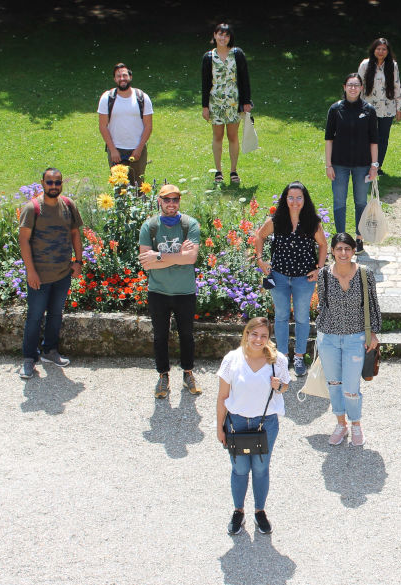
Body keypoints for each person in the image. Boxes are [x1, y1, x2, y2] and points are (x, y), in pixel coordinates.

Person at [217, 317, 290, 535]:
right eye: (254, 334)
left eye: (264, 336)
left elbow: (285, 388)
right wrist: (219, 427)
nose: (258, 339)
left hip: (265, 423)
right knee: (240, 469)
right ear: (246, 334)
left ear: (269, 338)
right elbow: (222, 397)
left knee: (260, 468)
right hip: (237, 422)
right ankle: (238, 511)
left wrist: (280, 386)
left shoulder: (278, 361)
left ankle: (260, 511)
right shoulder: (232, 359)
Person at [254, 181, 328, 377]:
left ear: (305, 200)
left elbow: (323, 245)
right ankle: (282, 357)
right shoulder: (276, 220)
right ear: (285, 199)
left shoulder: (312, 222)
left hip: (304, 279)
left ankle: (299, 356)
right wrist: (260, 259)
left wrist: (319, 268)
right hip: (279, 276)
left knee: (302, 318)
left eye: (299, 197)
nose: (295, 202)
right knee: (281, 317)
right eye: (291, 197)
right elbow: (259, 236)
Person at [315, 232, 381, 447]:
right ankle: (340, 424)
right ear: (332, 251)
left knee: (351, 387)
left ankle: (356, 425)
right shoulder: (324, 274)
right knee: (334, 384)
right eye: (339, 249)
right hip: (329, 338)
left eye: (347, 249)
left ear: (354, 251)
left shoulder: (365, 274)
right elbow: (322, 305)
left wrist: (373, 333)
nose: (343, 253)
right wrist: (321, 331)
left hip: (355, 338)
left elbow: (372, 305)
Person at [17, 168, 83, 379]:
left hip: (62, 273)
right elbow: (23, 240)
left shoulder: (68, 205)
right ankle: (29, 359)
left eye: (57, 182)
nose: (53, 186)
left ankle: (50, 351)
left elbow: (75, 233)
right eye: (49, 182)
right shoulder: (33, 208)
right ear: (42, 183)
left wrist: (79, 262)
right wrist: (31, 272)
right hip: (40, 276)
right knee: (35, 318)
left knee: (56, 314)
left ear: (61, 183)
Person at [138, 184, 201, 398]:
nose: (171, 203)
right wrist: (177, 258)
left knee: (186, 335)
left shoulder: (189, 224)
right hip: (158, 291)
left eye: (175, 199)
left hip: (184, 291)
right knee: (160, 336)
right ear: (160, 201)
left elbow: (191, 258)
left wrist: (158, 256)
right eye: (167, 200)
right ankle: (163, 376)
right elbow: (146, 264)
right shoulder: (150, 226)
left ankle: (188, 373)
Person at [325, 74, 379, 255]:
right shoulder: (335, 109)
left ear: (362, 88)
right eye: (350, 85)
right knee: (339, 201)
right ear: (344, 87)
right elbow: (329, 139)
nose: (353, 88)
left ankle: (359, 238)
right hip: (339, 164)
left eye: (357, 85)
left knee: (361, 201)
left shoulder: (369, 110)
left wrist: (374, 165)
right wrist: (328, 165)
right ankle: (340, 238)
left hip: (362, 165)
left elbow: (374, 141)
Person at [201, 23, 253, 184]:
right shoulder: (208, 57)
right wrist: (205, 106)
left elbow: (244, 79)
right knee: (217, 136)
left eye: (226, 35)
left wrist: (246, 102)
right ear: (215, 35)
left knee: (232, 136)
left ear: (230, 38)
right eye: (220, 34)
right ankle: (218, 171)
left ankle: (233, 171)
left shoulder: (237, 54)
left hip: (233, 102)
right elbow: (205, 83)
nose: (223, 38)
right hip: (215, 102)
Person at [98, 63, 153, 185]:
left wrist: (138, 149)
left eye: (124, 75)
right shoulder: (107, 98)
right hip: (116, 150)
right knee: (119, 189)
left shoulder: (142, 97)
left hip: (137, 150)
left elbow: (148, 126)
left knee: (138, 187)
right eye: (118, 76)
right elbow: (103, 126)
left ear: (130, 77)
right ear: (114, 79)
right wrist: (113, 150)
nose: (122, 78)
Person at [357, 38, 401, 175]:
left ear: (388, 52)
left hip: (387, 108)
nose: (381, 52)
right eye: (378, 49)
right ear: (373, 50)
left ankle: (378, 166)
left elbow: (396, 86)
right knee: (367, 137)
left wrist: (398, 107)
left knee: (382, 138)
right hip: (368, 107)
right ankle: (365, 164)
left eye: (384, 49)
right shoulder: (365, 64)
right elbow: (358, 85)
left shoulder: (392, 65)